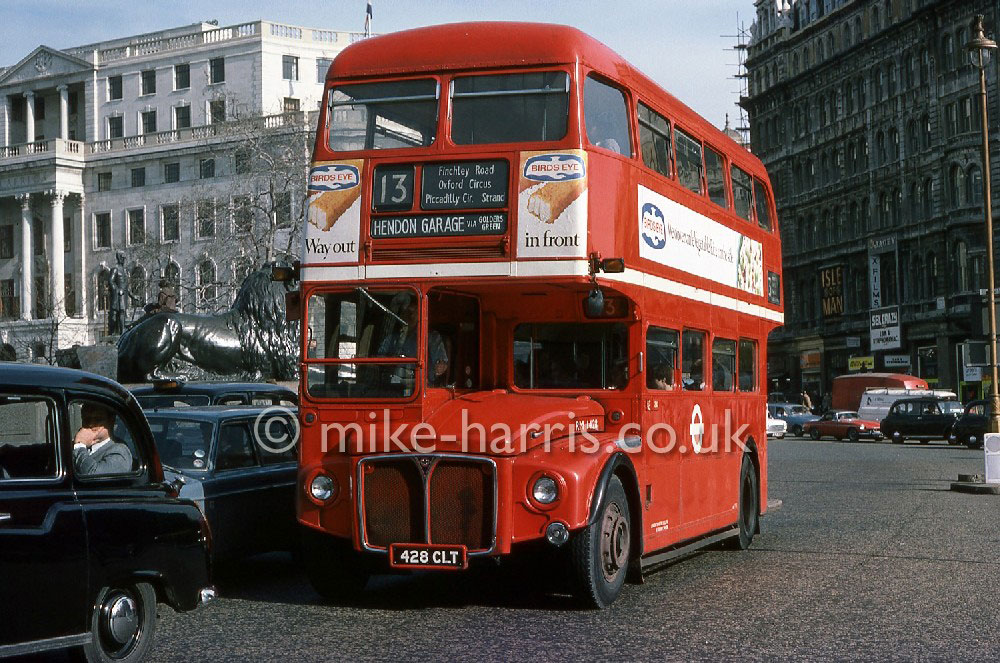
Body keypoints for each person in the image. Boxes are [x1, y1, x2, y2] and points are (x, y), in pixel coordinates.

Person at [377, 293, 449, 387]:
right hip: (392, 387)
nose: (411, 316)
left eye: (414, 312)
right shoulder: (392, 338)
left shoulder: (432, 338)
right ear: (402, 314)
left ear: (421, 314)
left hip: (421, 387)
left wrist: (440, 366)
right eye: (408, 311)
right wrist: (391, 360)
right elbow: (379, 358)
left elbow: (441, 364)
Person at [72, 403, 133, 475]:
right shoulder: (78, 445)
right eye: (86, 419)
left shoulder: (120, 451)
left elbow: (95, 477)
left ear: (111, 421)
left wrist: (80, 446)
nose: (90, 424)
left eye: (97, 420)